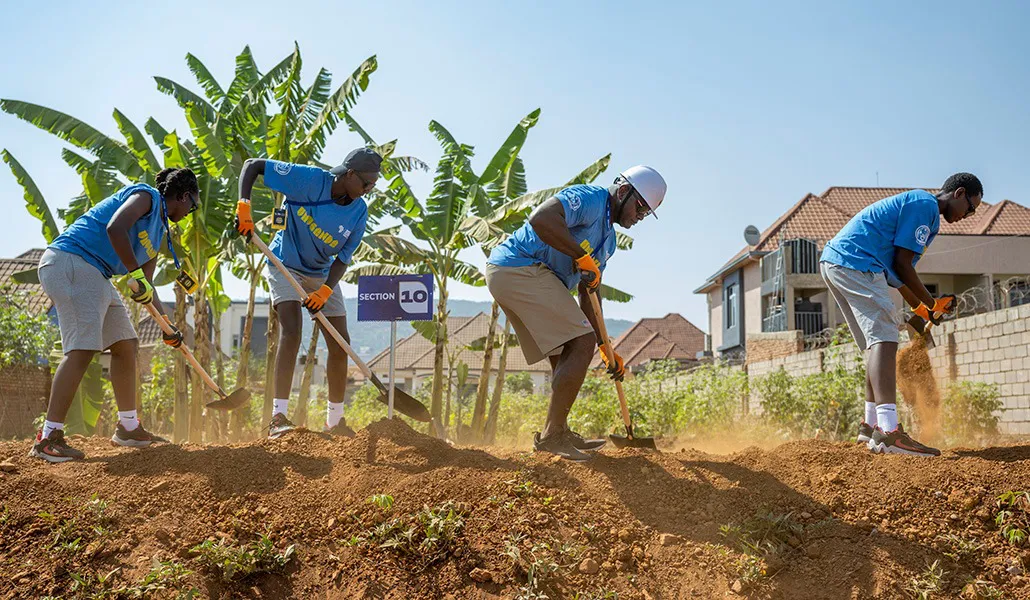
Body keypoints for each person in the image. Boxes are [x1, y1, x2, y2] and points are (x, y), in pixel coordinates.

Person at [485, 166, 667, 461]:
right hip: (518, 266)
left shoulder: (608, 242)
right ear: (623, 192)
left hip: (526, 275)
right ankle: (552, 436)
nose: (639, 216)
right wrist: (580, 256)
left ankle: (557, 430)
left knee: (568, 352)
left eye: (645, 213)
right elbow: (541, 219)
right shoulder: (590, 199)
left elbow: (589, 294)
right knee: (581, 342)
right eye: (640, 207)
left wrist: (607, 348)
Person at [31, 168, 198, 462]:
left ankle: (129, 428)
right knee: (83, 348)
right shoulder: (145, 196)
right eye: (192, 205)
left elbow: (142, 286)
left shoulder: (159, 232)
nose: (190, 212)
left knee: (126, 344)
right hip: (71, 260)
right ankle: (48, 437)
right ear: (183, 196)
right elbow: (115, 228)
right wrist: (135, 274)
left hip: (97, 274)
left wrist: (168, 327)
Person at [820, 173, 983, 457]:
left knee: (875, 344)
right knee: (885, 337)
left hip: (838, 261)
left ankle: (870, 426)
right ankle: (889, 432)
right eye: (971, 207)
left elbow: (898, 275)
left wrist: (920, 308)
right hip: (857, 262)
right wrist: (932, 302)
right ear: (959, 193)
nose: (970, 214)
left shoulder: (921, 206)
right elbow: (903, 264)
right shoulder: (926, 207)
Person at [235, 148, 381, 439]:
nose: (368, 190)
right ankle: (278, 417)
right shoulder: (310, 181)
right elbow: (253, 166)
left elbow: (343, 259)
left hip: (322, 274)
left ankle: (335, 421)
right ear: (349, 174)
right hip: (284, 263)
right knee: (292, 330)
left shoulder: (359, 211)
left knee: (340, 343)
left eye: (373, 185)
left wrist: (326, 290)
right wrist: (244, 207)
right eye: (366, 183)